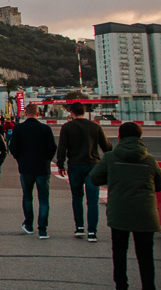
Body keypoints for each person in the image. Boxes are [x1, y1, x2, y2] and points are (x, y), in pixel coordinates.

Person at [90, 122, 161, 290]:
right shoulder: (150, 160)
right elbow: (159, 185)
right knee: (146, 255)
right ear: (140, 137)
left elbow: (94, 178)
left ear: (119, 137)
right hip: (145, 213)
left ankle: (121, 285)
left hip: (119, 211)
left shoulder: (110, 158)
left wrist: (114, 179)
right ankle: (148, 286)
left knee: (120, 252)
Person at [55, 102, 111, 241]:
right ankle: (92, 232)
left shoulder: (67, 127)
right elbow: (107, 147)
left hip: (74, 165)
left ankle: (79, 227)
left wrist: (60, 164)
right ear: (84, 112)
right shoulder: (95, 126)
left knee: (77, 197)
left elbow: (62, 148)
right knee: (92, 199)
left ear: (71, 112)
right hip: (93, 165)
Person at [9, 103, 57, 238]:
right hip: (42, 168)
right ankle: (43, 229)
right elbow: (52, 148)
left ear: (25, 113)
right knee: (43, 199)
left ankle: (28, 224)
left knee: (27, 196)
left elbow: (13, 147)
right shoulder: (45, 129)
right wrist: (46, 159)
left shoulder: (19, 128)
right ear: (38, 114)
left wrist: (20, 159)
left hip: (25, 167)